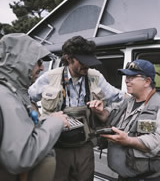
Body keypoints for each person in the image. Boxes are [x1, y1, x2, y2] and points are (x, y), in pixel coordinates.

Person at [28, 35, 124, 181]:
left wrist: (105, 111)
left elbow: (120, 98)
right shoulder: (49, 77)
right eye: (83, 62)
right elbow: (27, 100)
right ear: (68, 59)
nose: (87, 66)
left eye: (89, 61)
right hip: (56, 146)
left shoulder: (95, 77)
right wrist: (41, 120)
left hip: (84, 146)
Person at [0, 33, 70, 181]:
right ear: (22, 61)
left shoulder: (7, 90)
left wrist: (46, 121)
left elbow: (14, 131)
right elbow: (21, 156)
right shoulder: (2, 95)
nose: (42, 68)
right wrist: (56, 123)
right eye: (39, 62)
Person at [89, 59, 160, 181]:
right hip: (124, 176)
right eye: (126, 76)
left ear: (147, 81)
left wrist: (129, 141)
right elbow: (108, 116)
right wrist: (100, 111)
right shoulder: (127, 102)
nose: (126, 80)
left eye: (132, 77)